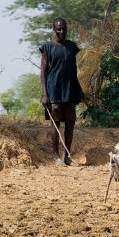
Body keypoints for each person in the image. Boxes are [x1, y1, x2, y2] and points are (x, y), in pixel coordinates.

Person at [40, 18, 84, 166]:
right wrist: (45, 94)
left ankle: (68, 156)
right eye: (58, 29)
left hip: (70, 91)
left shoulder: (72, 47)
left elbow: (74, 71)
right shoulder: (48, 47)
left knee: (70, 123)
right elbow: (44, 72)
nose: (61, 32)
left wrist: (79, 89)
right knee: (56, 124)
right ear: (54, 30)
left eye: (63, 29)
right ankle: (56, 157)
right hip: (54, 91)